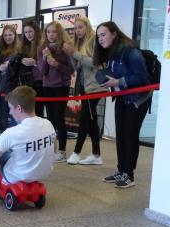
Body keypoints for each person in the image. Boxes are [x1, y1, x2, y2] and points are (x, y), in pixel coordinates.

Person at [93, 21, 152, 188]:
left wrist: (117, 81)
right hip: (122, 97)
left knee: (130, 135)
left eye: (103, 35)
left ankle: (129, 175)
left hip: (138, 99)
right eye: (98, 37)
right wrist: (109, 81)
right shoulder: (113, 53)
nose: (100, 39)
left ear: (114, 34)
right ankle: (121, 170)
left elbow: (141, 77)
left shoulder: (131, 52)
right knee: (121, 135)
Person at [0, 86, 55, 184]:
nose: (10, 112)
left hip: (16, 176)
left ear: (19, 108)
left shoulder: (11, 133)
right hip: (44, 174)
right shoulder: (48, 124)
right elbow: (54, 149)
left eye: (11, 108)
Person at [63, 17, 107, 165]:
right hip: (84, 86)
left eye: (80, 27)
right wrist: (70, 53)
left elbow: (95, 62)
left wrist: (74, 53)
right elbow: (76, 67)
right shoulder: (79, 42)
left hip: (95, 87)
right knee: (92, 120)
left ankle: (76, 153)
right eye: (75, 28)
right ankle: (96, 155)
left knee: (84, 119)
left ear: (87, 27)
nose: (77, 31)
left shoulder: (95, 40)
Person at [38, 21, 74, 162]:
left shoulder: (65, 48)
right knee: (50, 120)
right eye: (48, 32)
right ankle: (51, 149)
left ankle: (62, 151)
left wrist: (56, 64)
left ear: (59, 33)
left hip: (61, 86)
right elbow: (42, 71)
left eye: (54, 32)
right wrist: (47, 59)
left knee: (59, 118)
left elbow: (70, 70)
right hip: (47, 86)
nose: (51, 35)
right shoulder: (42, 48)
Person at [0, 25, 20, 133]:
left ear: (15, 35)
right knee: (2, 115)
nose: (8, 37)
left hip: (14, 87)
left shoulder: (19, 50)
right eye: (5, 35)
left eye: (10, 35)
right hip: (2, 86)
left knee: (14, 114)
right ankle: (3, 139)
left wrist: (10, 66)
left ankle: (14, 138)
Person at [20, 20, 44, 117]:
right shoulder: (24, 46)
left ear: (36, 31)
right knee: (29, 111)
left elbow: (47, 66)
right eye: (26, 32)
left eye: (30, 31)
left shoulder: (42, 45)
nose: (28, 35)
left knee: (38, 110)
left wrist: (34, 63)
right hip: (28, 82)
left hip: (40, 82)